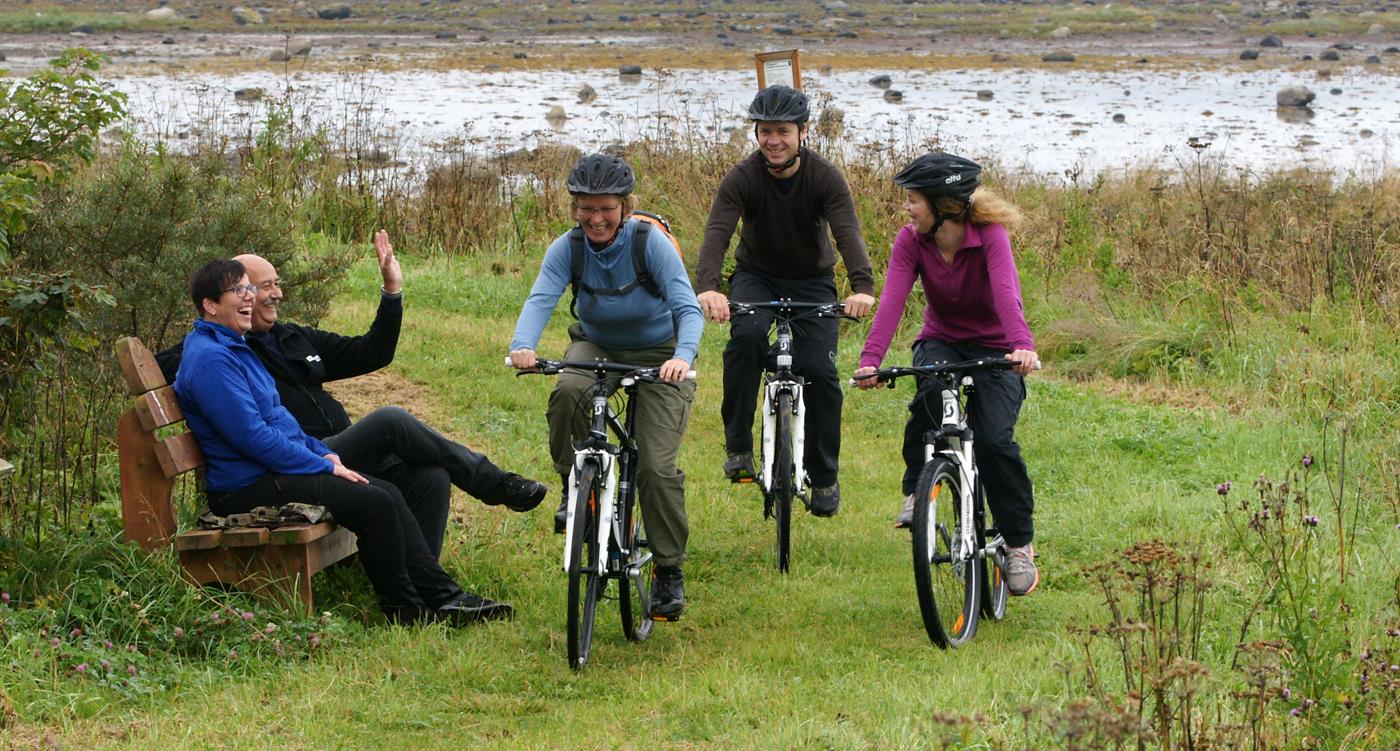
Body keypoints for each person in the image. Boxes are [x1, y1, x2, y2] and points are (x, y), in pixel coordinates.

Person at [157, 233, 546, 560]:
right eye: (259, 287)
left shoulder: (295, 338)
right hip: (300, 460)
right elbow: (187, 363)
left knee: (430, 476)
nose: (275, 294)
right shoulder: (225, 353)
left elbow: (371, 352)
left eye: (275, 283)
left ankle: (426, 578)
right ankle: (496, 484)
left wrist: (391, 291)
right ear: (226, 298)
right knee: (391, 421)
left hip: (334, 450)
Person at [173, 259, 510, 625]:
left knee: (383, 491)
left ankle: (442, 599)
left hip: (267, 471)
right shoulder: (211, 360)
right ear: (210, 305)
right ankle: (410, 611)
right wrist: (322, 464)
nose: (249, 298)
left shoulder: (234, 348)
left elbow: (282, 422)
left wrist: (324, 451)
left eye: (249, 289)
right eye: (239, 291)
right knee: (375, 499)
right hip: (245, 486)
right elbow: (253, 437)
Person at [508, 154, 702, 620]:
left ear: (625, 206)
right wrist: (522, 345)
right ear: (575, 208)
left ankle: (669, 570)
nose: (595, 218)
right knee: (567, 394)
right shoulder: (567, 248)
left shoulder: (649, 242)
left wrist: (683, 356)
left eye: (606, 208)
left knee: (655, 466)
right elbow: (541, 298)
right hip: (596, 345)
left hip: (661, 354)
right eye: (585, 208)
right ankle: (573, 489)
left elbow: (687, 308)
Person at [853, 153, 1042, 596]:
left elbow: (1006, 292)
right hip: (942, 340)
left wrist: (1022, 346)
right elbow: (893, 300)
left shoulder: (990, 236)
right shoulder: (910, 241)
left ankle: (1018, 543)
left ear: (945, 205)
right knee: (928, 400)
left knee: (995, 440)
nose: (907, 208)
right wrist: (872, 359)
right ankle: (919, 491)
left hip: (997, 347)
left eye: (914, 200)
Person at [694, 84, 875, 517]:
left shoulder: (824, 177)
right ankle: (738, 448)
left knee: (820, 371)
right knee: (747, 340)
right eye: (765, 131)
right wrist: (709, 286)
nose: (773, 141)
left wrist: (862, 287)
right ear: (756, 132)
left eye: (783, 132)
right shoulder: (742, 176)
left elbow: (846, 231)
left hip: (812, 281)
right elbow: (718, 232)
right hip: (756, 277)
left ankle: (824, 475)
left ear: (803, 132)